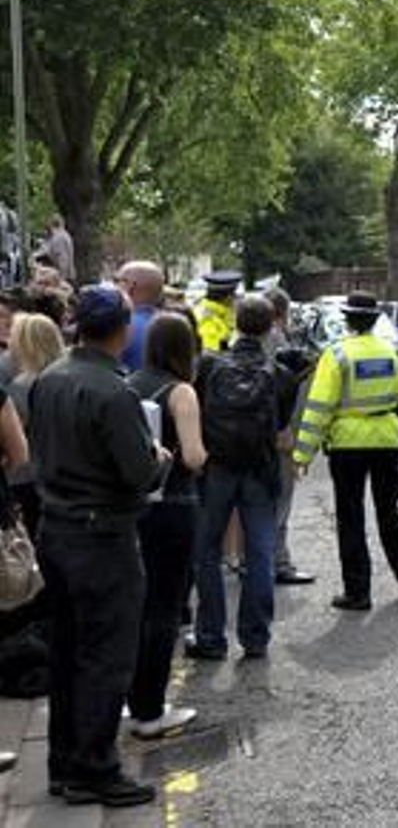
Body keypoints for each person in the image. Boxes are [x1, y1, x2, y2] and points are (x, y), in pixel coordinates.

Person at [31, 287, 167, 807]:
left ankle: (65, 764)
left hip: (57, 529)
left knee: (66, 652)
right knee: (107, 657)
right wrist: (159, 456)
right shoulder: (114, 392)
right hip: (102, 536)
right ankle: (96, 768)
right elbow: (138, 474)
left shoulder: (51, 377)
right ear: (123, 330)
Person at [293, 291, 398, 610]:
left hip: (348, 446)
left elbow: (319, 408)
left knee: (351, 517)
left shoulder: (336, 355)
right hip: (386, 442)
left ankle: (358, 592)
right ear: (376, 319)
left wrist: (302, 455)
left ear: (347, 320)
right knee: (389, 510)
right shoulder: (392, 352)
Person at [188, 295, 299, 660]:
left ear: (236, 322)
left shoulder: (209, 368)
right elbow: (280, 427)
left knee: (207, 551)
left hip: (218, 469)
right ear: (272, 326)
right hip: (259, 470)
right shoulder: (281, 375)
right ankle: (255, 637)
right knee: (261, 552)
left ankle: (211, 637)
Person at [126, 313, 205, 738]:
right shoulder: (181, 392)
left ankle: (131, 699)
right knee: (165, 608)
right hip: (174, 504)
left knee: (138, 606)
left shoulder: (129, 383)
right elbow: (193, 457)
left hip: (135, 506)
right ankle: (151, 710)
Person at [264, 288, 315, 587]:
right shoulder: (280, 345)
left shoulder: (244, 343)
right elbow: (289, 396)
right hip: (279, 438)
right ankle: (277, 562)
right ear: (283, 313)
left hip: (249, 439)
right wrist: (292, 435)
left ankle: (256, 560)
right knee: (280, 502)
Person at [4, 313, 64, 535]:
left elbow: (14, 446)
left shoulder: (21, 387)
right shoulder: (69, 380)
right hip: (66, 480)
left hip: (28, 480)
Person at [114, 261, 165, 370]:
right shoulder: (175, 326)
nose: (114, 286)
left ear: (130, 286)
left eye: (117, 281)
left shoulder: (119, 326)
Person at [194, 271, 242, 353]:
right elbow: (210, 354)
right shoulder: (207, 319)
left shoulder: (222, 312)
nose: (236, 298)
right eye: (234, 295)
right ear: (227, 297)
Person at [42, 215, 75, 284]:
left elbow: (63, 259)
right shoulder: (64, 235)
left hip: (63, 277)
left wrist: (60, 277)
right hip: (66, 275)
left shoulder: (59, 238)